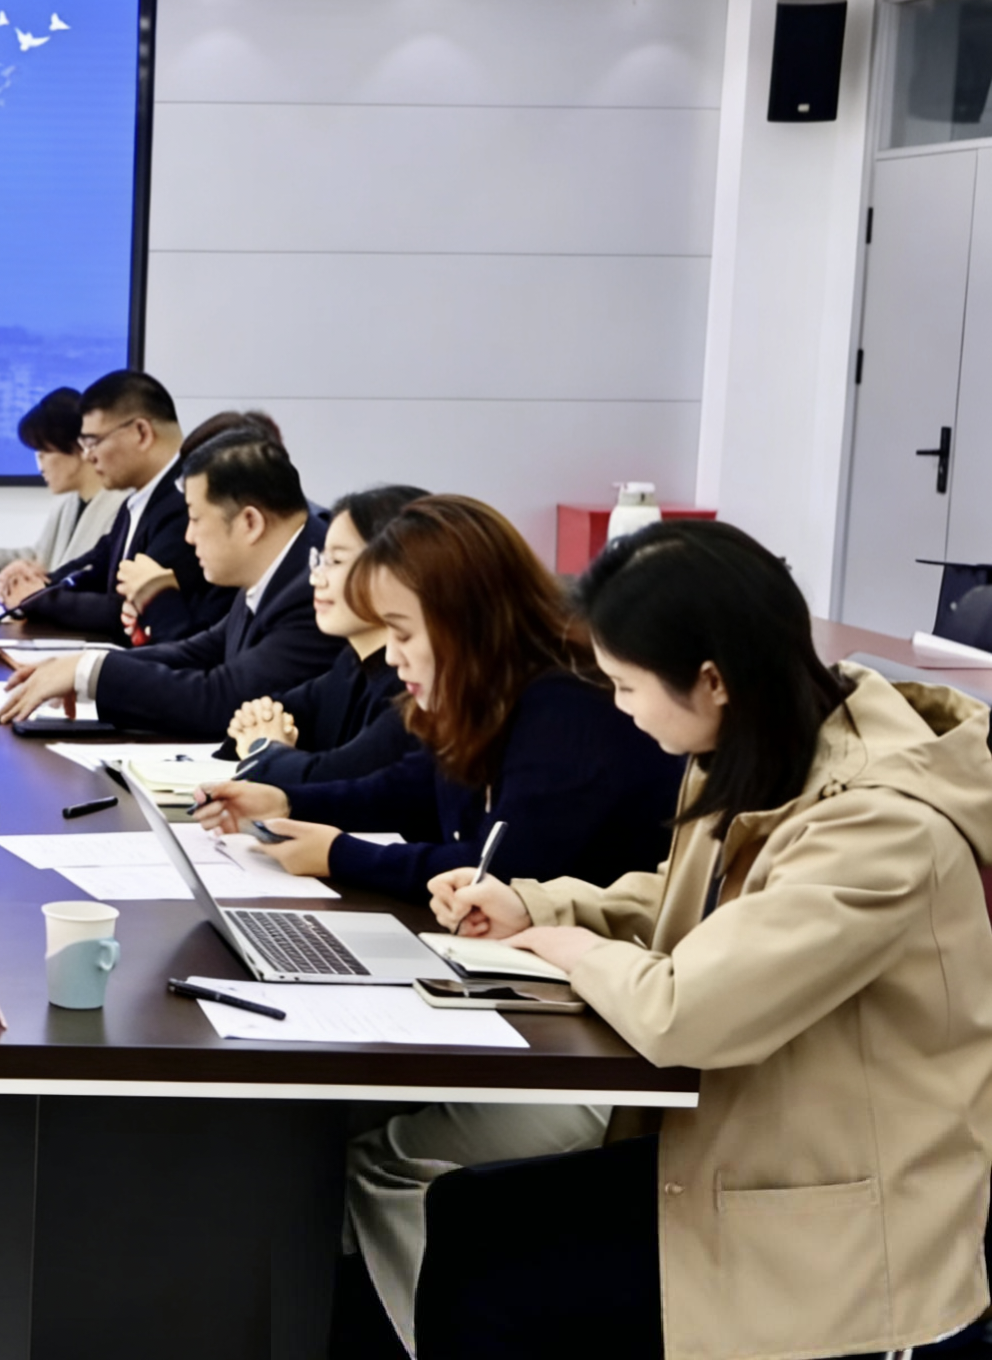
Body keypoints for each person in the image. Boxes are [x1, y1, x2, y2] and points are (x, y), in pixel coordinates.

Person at [373, 521, 992, 1360]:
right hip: (753, 1159)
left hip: (845, 1234)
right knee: (472, 1222)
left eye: (627, 685)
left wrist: (569, 949)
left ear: (712, 680)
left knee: (493, 1269)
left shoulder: (880, 824)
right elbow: (684, 899)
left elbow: (688, 1013)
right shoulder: (762, 746)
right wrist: (536, 906)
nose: (619, 707)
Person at [191, 494, 680, 902]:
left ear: (463, 623)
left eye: (403, 633)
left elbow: (494, 872)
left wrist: (339, 854)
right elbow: (409, 788)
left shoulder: (564, 710)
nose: (393, 656)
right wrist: (286, 801)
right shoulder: (482, 692)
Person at [0, 430, 339, 734]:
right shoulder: (283, 560)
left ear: (249, 522)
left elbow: (222, 699)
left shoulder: (316, 585)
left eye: (195, 518)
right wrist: (83, 666)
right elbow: (203, 650)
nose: (188, 537)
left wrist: (91, 674)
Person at [10, 370, 236, 644]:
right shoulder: (137, 501)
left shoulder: (186, 502)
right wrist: (43, 583)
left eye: (93, 442)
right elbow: (95, 565)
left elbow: (131, 608)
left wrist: (39, 598)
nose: (88, 455)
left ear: (141, 433)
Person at [225, 483, 427, 788]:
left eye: (335, 561)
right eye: (320, 560)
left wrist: (264, 748)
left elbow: (333, 779)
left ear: (397, 570)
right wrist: (260, 729)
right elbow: (266, 716)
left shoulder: (412, 683)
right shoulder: (351, 664)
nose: (315, 578)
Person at [0, 387, 122, 606]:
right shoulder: (68, 502)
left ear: (79, 447)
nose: (40, 466)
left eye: (44, 453)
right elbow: (39, 560)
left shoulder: (119, 508)